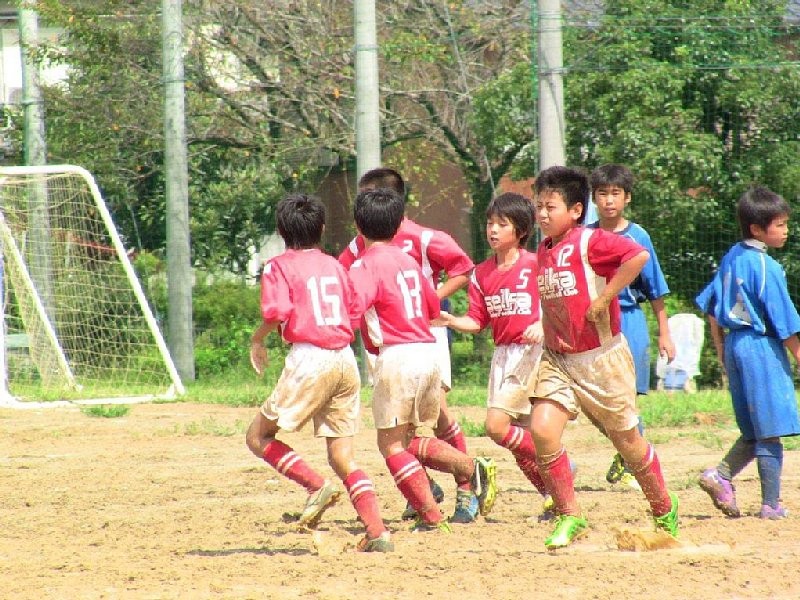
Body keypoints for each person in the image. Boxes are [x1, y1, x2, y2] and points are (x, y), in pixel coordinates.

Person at [528, 166, 679, 549]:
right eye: (539, 206)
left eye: (550, 207)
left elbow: (638, 256)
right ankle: (570, 514)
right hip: (559, 359)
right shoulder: (543, 249)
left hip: (601, 360)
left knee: (627, 441)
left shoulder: (590, 241)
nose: (542, 214)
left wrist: (606, 297)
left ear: (576, 210)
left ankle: (664, 507)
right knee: (542, 430)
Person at [245, 193, 393, 553]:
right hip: (344, 359)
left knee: (258, 436)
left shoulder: (278, 266)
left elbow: (276, 312)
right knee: (342, 455)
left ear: (281, 231)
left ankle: (315, 485)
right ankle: (377, 532)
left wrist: (257, 339)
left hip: (310, 360)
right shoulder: (335, 266)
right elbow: (354, 310)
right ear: (322, 228)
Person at [347, 187, 497, 531]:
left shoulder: (364, 265)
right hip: (428, 352)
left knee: (391, 445)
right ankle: (462, 476)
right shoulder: (410, 263)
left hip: (397, 357)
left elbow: (353, 309)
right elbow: (432, 307)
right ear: (399, 223)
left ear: (357, 225)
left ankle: (439, 507)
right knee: (409, 439)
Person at [436, 192, 552, 518]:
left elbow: (557, 303)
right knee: (519, 442)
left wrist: (543, 324)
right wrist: (450, 320)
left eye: (502, 224)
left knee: (497, 427)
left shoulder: (535, 264)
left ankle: (557, 459)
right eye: (490, 223)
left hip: (532, 355)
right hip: (503, 356)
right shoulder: (481, 273)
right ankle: (553, 496)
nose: (493, 230)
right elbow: (477, 321)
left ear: (521, 230)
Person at [695, 185, 800, 520]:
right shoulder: (766, 266)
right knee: (769, 430)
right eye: (780, 225)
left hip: (735, 346)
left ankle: (721, 476)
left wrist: (721, 349)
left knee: (754, 430)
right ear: (757, 229)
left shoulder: (731, 257)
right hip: (760, 347)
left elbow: (711, 308)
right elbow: (784, 322)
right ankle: (770, 505)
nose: (786, 230)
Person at [588, 164, 676, 490]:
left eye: (616, 193)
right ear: (593, 198)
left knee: (628, 399)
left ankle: (636, 464)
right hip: (596, 324)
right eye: (602, 193)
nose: (609, 200)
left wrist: (664, 332)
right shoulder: (584, 236)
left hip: (629, 320)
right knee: (595, 401)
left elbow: (655, 289)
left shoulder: (639, 237)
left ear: (627, 198)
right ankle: (628, 451)